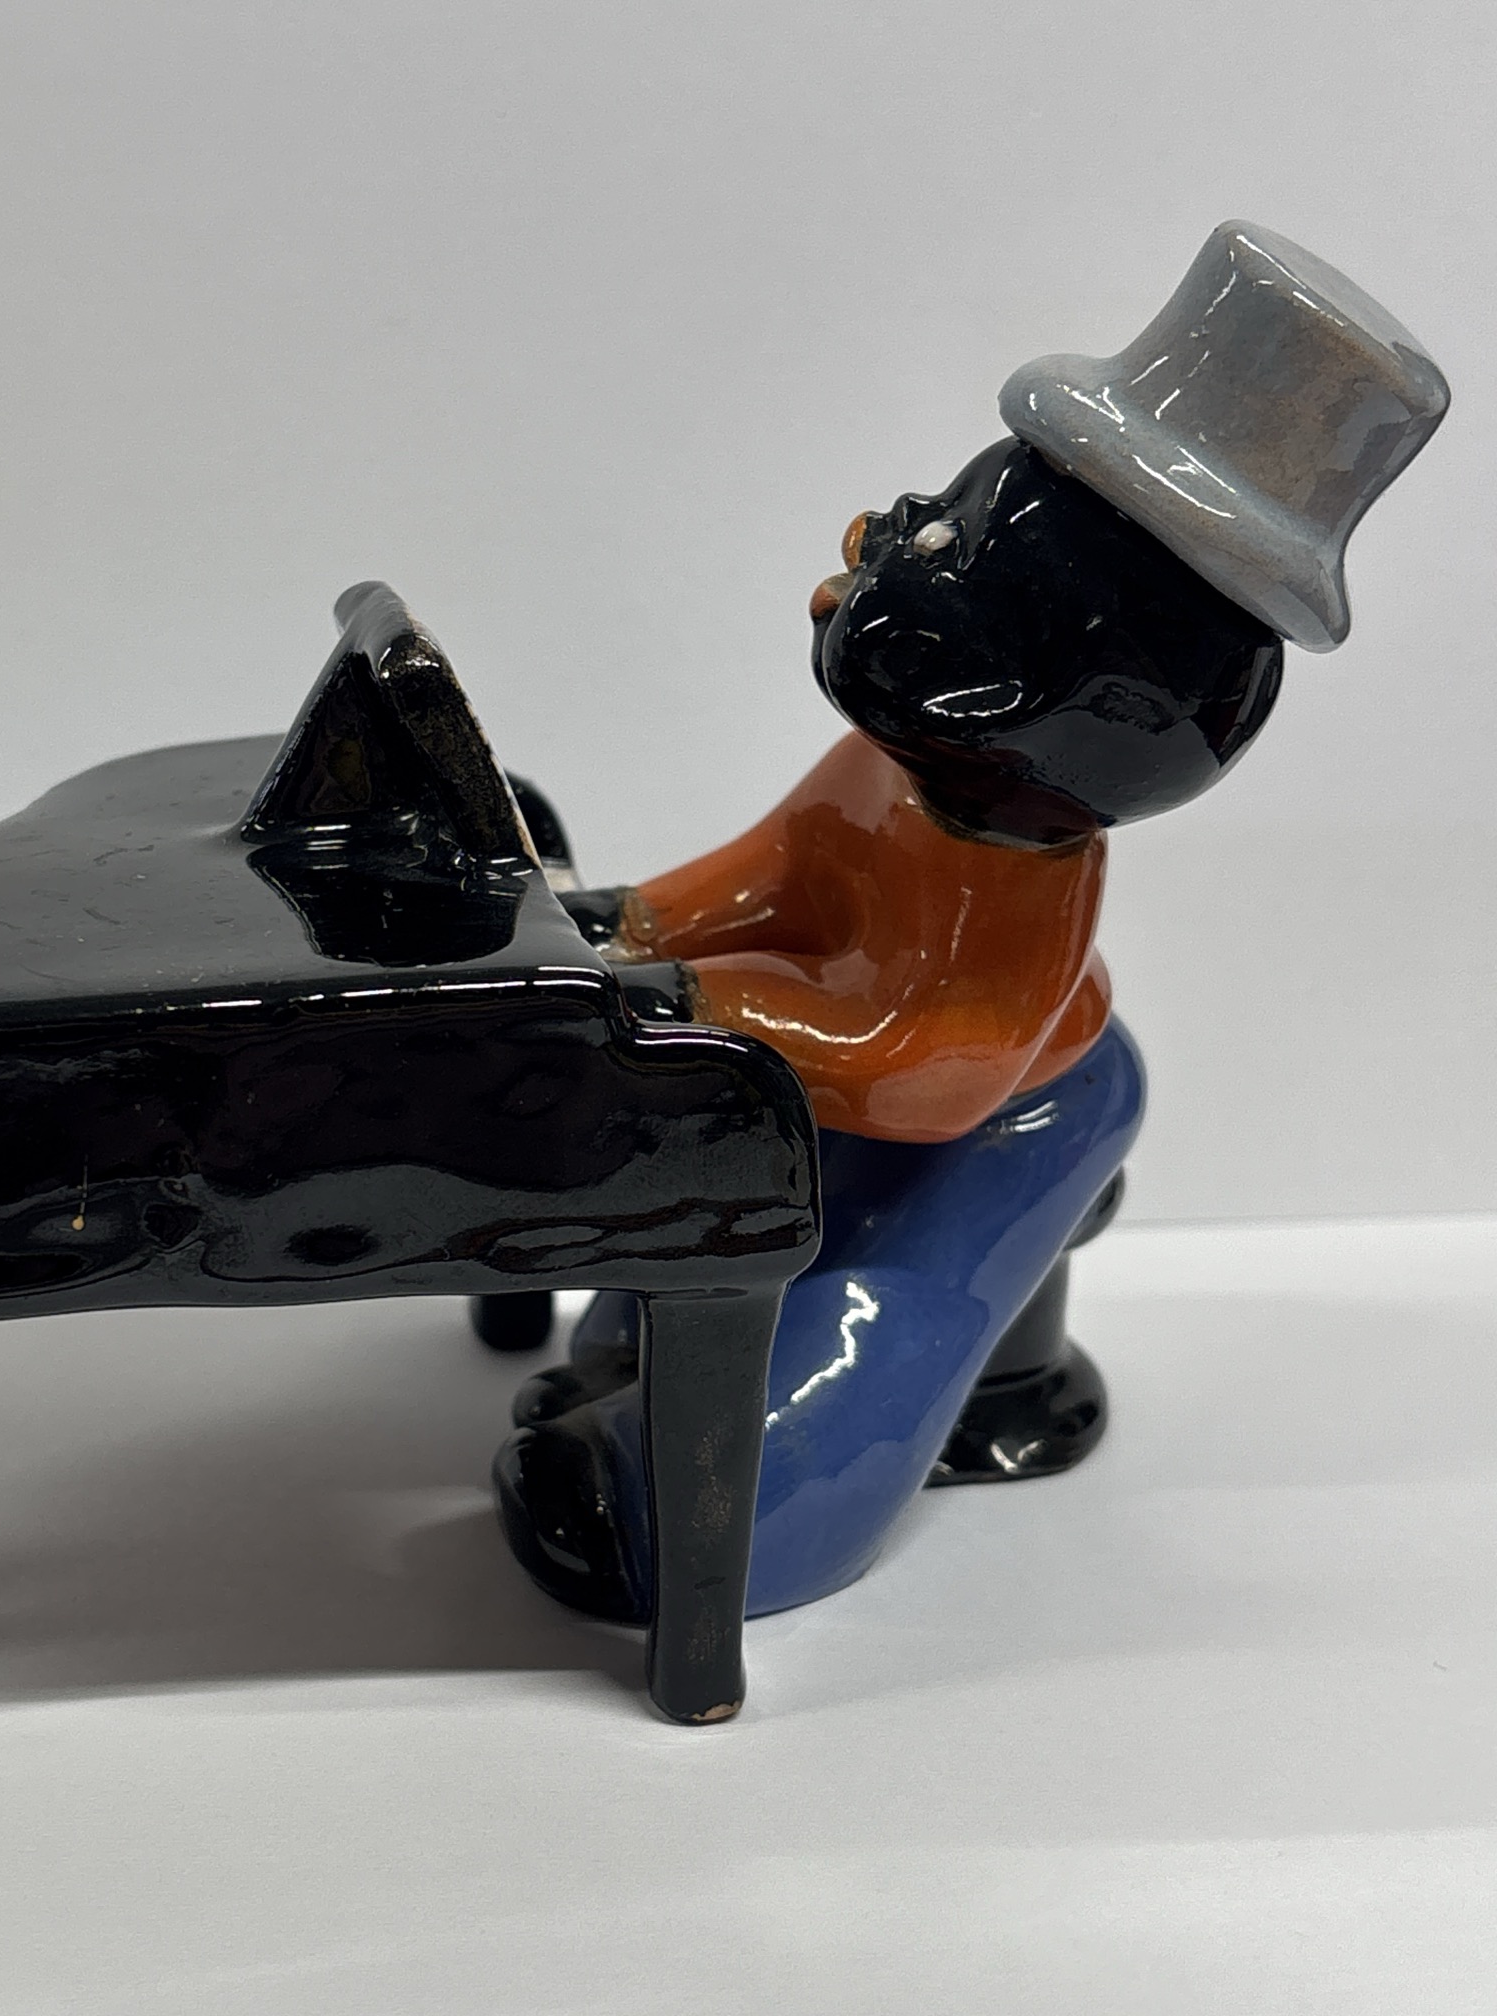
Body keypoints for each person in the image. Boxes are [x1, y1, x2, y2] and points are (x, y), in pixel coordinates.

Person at [493, 221, 1450, 1624]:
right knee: (720, 1211)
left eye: (950, 542)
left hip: (1014, 1116)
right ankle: (644, 1370)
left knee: (879, 1303)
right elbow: (772, 871)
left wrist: (710, 1006)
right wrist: (634, 925)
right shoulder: (889, 771)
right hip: (846, 1071)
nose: (885, 536)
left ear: (1054, 684)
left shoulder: (1020, 867)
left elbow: (936, 1067)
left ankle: (700, 1510)